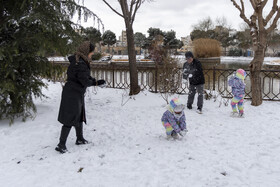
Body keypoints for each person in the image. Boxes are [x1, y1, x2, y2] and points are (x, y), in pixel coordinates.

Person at [55, 41, 106, 153]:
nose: (92, 54)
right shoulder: (80, 63)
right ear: (87, 51)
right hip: (72, 94)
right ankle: (61, 145)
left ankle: (80, 139)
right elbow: (84, 81)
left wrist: (94, 81)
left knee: (79, 115)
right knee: (70, 118)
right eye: (91, 52)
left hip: (75, 92)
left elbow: (84, 77)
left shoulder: (79, 61)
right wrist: (96, 83)